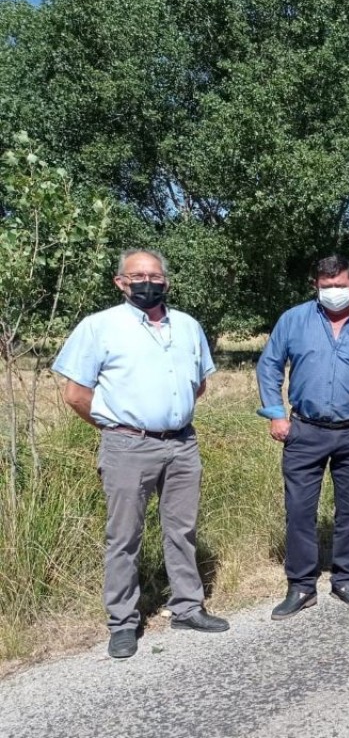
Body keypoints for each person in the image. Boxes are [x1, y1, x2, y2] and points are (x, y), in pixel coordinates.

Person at [52, 249, 229, 660]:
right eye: (137, 275)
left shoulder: (187, 326)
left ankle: (187, 607)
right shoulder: (99, 327)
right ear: (120, 282)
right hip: (127, 445)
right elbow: (76, 394)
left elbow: (197, 384)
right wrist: (117, 428)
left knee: (182, 530)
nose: (147, 281)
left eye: (154, 275)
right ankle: (123, 623)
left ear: (166, 281)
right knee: (124, 536)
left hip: (182, 442)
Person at [256, 255, 349, 620]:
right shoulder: (293, 321)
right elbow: (270, 365)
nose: (333, 292)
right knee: (299, 511)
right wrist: (275, 413)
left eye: (340, 285)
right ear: (315, 287)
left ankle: (344, 579)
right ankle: (302, 586)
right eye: (326, 287)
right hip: (304, 430)